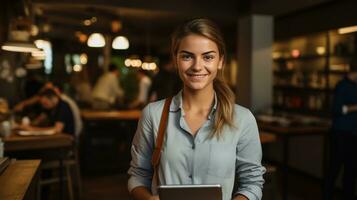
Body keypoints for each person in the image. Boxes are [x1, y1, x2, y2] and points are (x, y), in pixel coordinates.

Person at [128, 18, 265, 200]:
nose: (197, 66)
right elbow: (138, 176)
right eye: (187, 56)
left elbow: (252, 182)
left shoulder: (242, 118)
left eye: (208, 57)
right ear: (176, 60)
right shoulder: (153, 114)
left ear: (220, 61)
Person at [324, 57, 357, 200]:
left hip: (354, 135)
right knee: (334, 168)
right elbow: (337, 109)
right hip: (340, 134)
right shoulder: (342, 85)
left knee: (351, 171)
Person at [14, 84, 82, 137]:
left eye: (45, 103)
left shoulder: (63, 106)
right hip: (56, 140)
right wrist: (25, 125)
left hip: (65, 141)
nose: (44, 106)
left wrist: (32, 129)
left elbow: (57, 130)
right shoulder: (50, 107)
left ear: (52, 98)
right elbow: (39, 120)